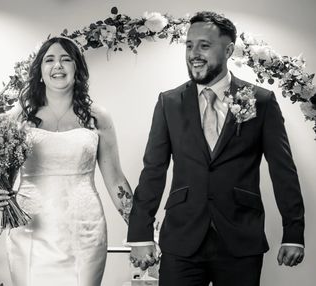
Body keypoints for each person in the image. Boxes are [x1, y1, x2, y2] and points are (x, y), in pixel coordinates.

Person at [127, 11, 305, 286]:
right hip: (182, 237)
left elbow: (284, 171)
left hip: (241, 236)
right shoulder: (169, 102)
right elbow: (153, 170)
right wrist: (140, 233)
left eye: (204, 45)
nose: (194, 53)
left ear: (229, 49)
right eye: (189, 45)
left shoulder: (261, 101)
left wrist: (293, 233)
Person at [0, 37, 133, 286]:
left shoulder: (97, 117)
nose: (58, 65)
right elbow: (1, 174)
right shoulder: (18, 117)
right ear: (40, 71)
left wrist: (138, 228)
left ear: (76, 68)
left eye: (66, 59)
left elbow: (115, 178)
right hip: (30, 227)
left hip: (85, 228)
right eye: (50, 60)